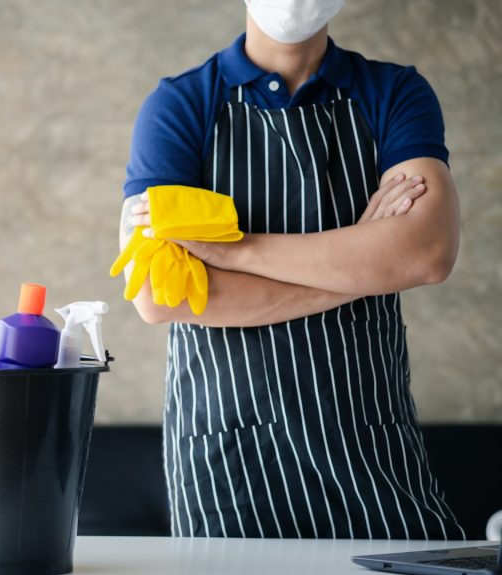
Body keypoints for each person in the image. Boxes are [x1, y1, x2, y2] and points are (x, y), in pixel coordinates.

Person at [119, 0, 463, 539]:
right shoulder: (181, 105)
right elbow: (161, 296)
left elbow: (426, 254)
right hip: (227, 457)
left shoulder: (394, 92)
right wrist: (363, 266)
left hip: (369, 445)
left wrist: (235, 252)